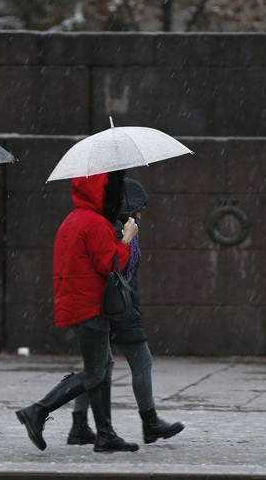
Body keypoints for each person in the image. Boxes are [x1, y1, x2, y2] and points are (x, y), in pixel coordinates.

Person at [16, 170, 140, 453]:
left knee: (102, 367)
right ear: (102, 191)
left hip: (78, 303)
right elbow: (110, 265)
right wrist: (126, 239)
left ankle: (106, 434)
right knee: (95, 371)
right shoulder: (95, 223)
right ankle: (37, 410)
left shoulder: (73, 220)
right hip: (90, 306)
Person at [66, 178, 184, 446]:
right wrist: (125, 239)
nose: (142, 214)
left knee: (96, 368)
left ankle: (79, 424)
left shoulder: (115, 225)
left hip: (113, 305)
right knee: (137, 362)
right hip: (118, 307)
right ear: (127, 206)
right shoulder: (115, 229)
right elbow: (114, 266)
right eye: (139, 207)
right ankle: (149, 421)